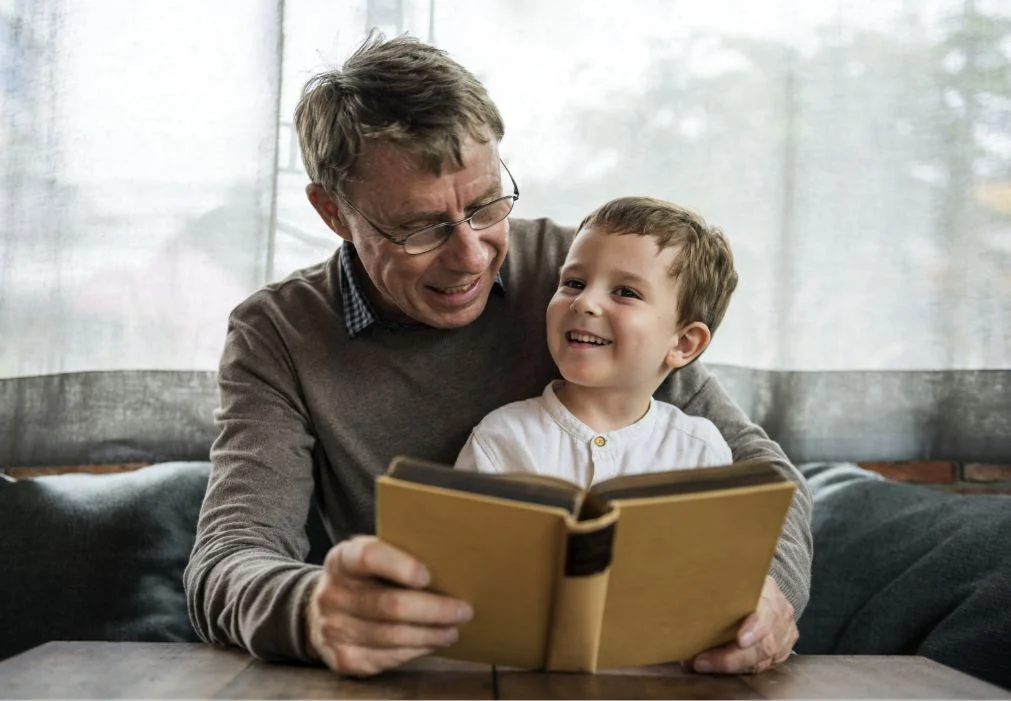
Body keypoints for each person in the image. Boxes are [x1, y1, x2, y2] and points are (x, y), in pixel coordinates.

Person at [183, 31, 812, 678]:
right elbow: (228, 559)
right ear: (333, 212)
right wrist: (313, 607)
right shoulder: (278, 333)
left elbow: (769, 480)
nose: (471, 254)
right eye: (419, 226)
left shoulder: (580, 279)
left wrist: (767, 598)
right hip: (422, 676)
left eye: (487, 206)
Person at [456, 196, 737, 483]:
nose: (584, 301)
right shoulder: (501, 441)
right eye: (574, 283)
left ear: (684, 344)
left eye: (626, 292)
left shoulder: (703, 453)